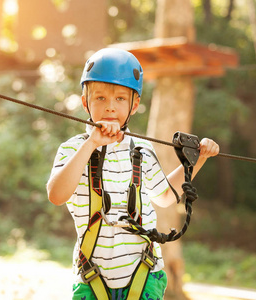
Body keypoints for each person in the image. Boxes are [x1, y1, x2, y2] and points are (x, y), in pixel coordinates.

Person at [47, 48, 219, 300]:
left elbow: (164, 196)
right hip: (91, 279)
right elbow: (56, 195)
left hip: (144, 275)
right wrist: (92, 143)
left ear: (134, 105)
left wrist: (199, 158)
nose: (110, 107)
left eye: (119, 99)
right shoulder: (72, 149)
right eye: (100, 98)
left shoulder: (141, 150)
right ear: (85, 102)